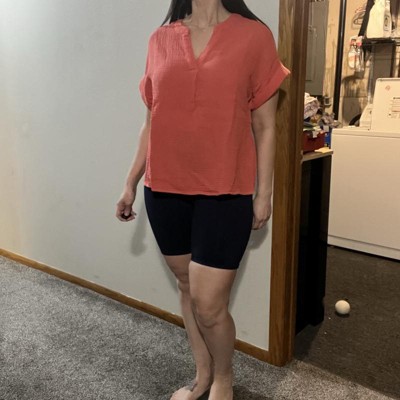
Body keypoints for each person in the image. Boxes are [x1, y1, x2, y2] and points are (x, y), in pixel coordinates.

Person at [116, 1, 290, 399]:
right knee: (186, 287)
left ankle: (224, 378)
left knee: (209, 305)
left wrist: (264, 193)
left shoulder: (254, 36)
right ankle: (202, 374)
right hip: (165, 189)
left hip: (226, 190)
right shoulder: (160, 39)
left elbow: (265, 125)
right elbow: (151, 121)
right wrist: (130, 183)